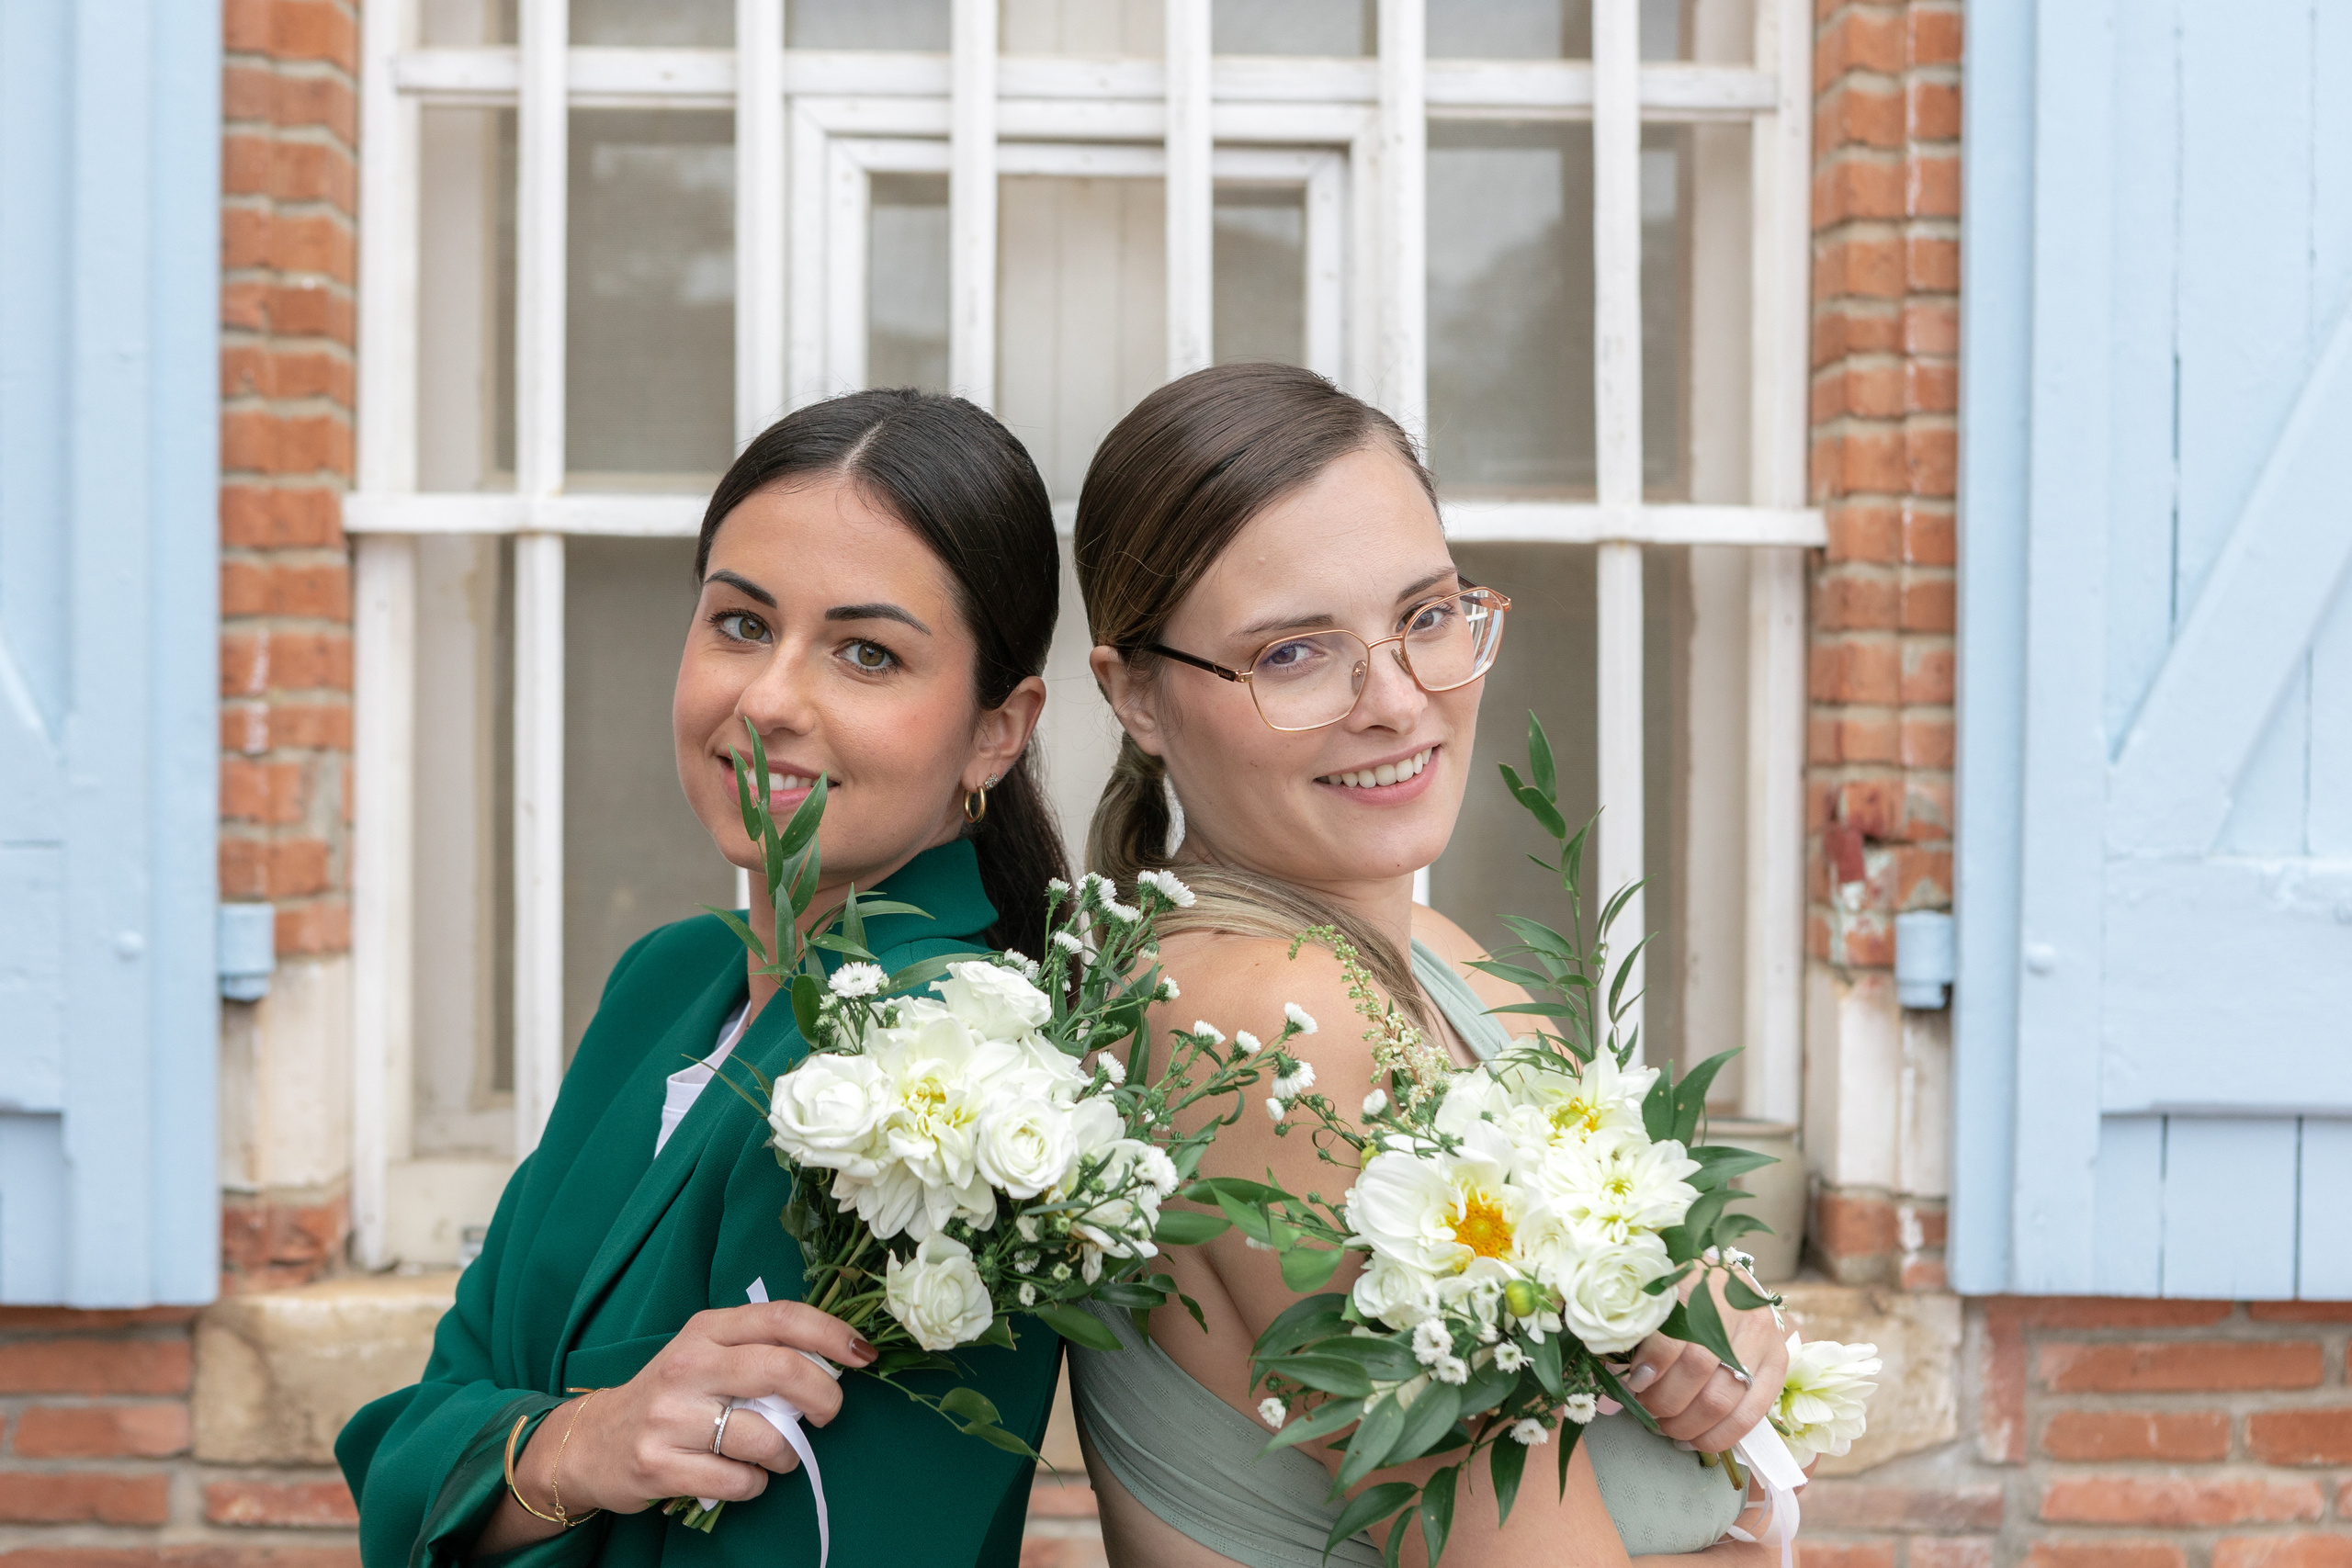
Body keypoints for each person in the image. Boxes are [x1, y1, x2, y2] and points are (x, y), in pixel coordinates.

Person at [1066, 363, 1792, 1567]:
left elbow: (1676, 1278)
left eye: (1428, 614)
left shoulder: (1434, 955)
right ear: (1135, 691)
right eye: (1295, 652)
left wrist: (1720, 1316)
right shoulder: (1268, 1019)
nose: (1399, 700)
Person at [337, 389, 1071, 1568]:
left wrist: (503, 1466)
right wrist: (578, 1449)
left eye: (866, 652)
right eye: (739, 624)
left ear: (998, 729)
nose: (768, 699)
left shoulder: (956, 1081)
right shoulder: (666, 984)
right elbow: (398, 1453)